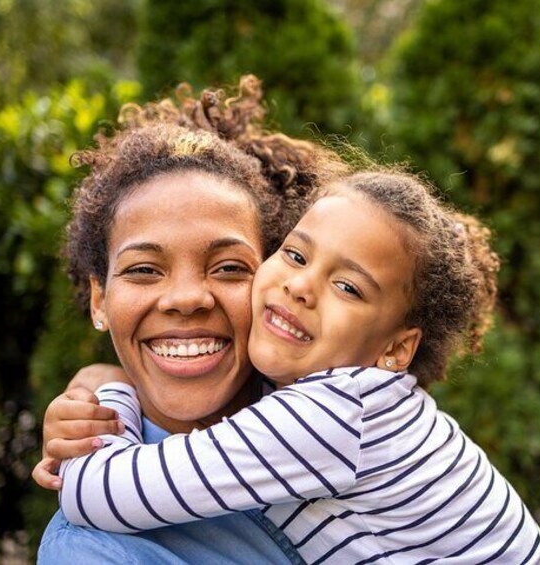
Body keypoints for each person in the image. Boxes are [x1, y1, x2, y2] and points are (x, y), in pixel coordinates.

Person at [50, 170, 540, 564]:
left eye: (348, 287)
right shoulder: (343, 398)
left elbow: (94, 493)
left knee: (76, 539)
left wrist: (108, 402)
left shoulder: (331, 416)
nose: (301, 286)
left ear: (397, 350)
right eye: (295, 255)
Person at [35, 76, 346, 564]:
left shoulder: (342, 414)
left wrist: (108, 381)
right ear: (100, 300)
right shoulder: (95, 549)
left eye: (228, 268)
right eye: (143, 270)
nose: (186, 299)